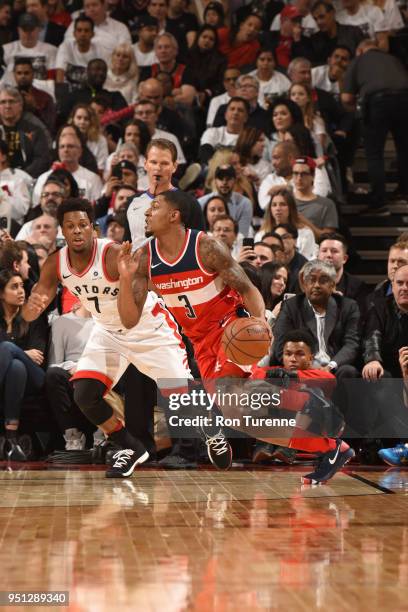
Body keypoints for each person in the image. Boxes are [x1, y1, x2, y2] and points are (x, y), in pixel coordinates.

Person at [142, 197, 354, 484]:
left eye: (155, 206)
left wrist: (260, 323)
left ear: (174, 215)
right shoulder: (146, 257)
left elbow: (247, 287)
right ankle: (330, 447)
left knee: (231, 394)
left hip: (231, 326)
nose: (146, 211)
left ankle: (302, 398)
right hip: (201, 341)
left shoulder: (205, 246)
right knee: (240, 418)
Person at [21, 197, 195, 478]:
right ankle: (130, 446)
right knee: (85, 393)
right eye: (70, 226)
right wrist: (32, 306)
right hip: (107, 330)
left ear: (94, 229)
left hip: (146, 328)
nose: (77, 231)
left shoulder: (114, 256)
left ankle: (213, 434)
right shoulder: (56, 263)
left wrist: (125, 279)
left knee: (180, 393)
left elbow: (129, 317)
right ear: (63, 232)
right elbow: (31, 312)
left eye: (82, 225)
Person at [341, 39, 408, 214]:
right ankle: (404, 192)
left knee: (374, 152)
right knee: (404, 149)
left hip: (377, 101)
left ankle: (379, 200)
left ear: (360, 50)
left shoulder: (358, 61)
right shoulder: (393, 59)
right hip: (405, 100)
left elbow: (346, 98)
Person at [272, 259, 361, 379]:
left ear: (333, 285)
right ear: (304, 284)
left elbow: (351, 344)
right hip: (301, 368)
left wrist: (330, 366)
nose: (317, 285)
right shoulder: (291, 306)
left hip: (334, 368)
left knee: (348, 371)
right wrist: (308, 366)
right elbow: (280, 344)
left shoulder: (348, 306)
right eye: (312, 280)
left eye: (323, 280)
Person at [0, 269, 48, 461]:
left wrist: (13, 351)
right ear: (1, 294)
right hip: (12, 378)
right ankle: (11, 439)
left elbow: (38, 356)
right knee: (16, 368)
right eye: (14, 287)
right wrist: (22, 354)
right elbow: (26, 357)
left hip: (36, 377)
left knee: (7, 348)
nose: (21, 291)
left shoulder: (33, 316)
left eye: (22, 286)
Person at [126, 138, 204, 248]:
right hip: (138, 264)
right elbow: (127, 245)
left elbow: (198, 246)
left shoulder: (190, 203)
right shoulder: (132, 202)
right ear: (145, 164)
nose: (158, 168)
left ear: (174, 167)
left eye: (164, 163)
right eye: (153, 162)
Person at [32, 130, 103, 205]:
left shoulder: (93, 179)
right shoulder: (43, 178)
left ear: (80, 151)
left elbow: (97, 208)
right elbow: (36, 205)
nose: (65, 150)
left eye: (70, 146)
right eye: (62, 147)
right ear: (58, 151)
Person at [0, 85, 51, 178]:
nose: (7, 106)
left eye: (11, 101)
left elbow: (42, 159)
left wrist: (21, 176)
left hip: (28, 179)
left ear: (20, 105)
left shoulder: (35, 130)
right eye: (3, 102)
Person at [256, 187, 317, 260]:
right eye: (274, 205)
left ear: (291, 208)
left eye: (283, 204)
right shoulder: (261, 235)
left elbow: (308, 260)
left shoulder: (305, 234)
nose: (278, 208)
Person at [317, 232, 369, 312]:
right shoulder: (307, 283)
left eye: (334, 251)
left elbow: (359, 319)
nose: (329, 255)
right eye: (324, 250)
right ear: (317, 256)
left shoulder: (358, 287)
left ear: (344, 258)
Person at [2, 13, 57, 85]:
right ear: (18, 30)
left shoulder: (52, 50)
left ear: (39, 29)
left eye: (31, 29)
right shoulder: (5, 50)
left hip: (42, 92)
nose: (28, 33)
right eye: (25, 30)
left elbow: (52, 81)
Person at [199, 164, 252, 237]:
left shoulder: (244, 203)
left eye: (228, 179)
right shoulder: (201, 202)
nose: (224, 182)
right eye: (221, 178)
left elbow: (242, 235)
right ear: (215, 181)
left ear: (235, 180)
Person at [55, 15, 107, 89]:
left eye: (86, 31)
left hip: (90, 92)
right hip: (69, 93)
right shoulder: (66, 46)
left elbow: (102, 77)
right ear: (74, 34)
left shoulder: (99, 49)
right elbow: (60, 72)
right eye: (79, 30)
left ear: (92, 34)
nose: (83, 34)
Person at [292, 156, 338, 234]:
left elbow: (328, 237)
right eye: (296, 173)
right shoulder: (284, 200)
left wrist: (305, 222)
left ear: (313, 176)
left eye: (304, 174)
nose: (299, 178)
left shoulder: (326, 205)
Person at [199, 96, 249, 164]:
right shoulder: (212, 132)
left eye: (240, 110)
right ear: (225, 115)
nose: (235, 113)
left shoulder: (251, 137)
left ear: (246, 117)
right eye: (232, 109)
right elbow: (205, 154)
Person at [13, 58, 56, 135]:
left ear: (33, 74)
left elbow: (50, 127)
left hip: (38, 138)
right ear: (14, 75)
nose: (23, 76)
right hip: (13, 135)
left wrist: (35, 108)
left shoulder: (45, 97)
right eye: (19, 73)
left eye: (26, 73)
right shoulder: (7, 97)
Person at [69, 103, 109, 173]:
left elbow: (101, 168)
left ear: (91, 121)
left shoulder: (101, 140)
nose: (82, 122)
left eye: (86, 119)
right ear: (73, 120)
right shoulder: (63, 137)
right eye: (79, 118)